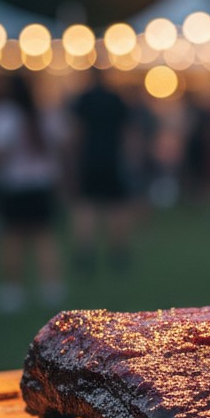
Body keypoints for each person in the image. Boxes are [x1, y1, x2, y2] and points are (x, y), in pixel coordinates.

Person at [0, 73, 66, 314]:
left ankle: (13, 290)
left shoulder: (4, 114)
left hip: (15, 183)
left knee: (12, 237)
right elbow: (64, 140)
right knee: (43, 236)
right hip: (42, 182)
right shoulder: (43, 113)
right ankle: (51, 287)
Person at [69, 69, 135, 275]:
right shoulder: (115, 99)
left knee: (86, 206)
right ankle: (118, 252)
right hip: (112, 158)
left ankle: (85, 253)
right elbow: (127, 131)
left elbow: (76, 131)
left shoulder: (83, 99)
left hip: (89, 159)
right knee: (116, 207)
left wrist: (74, 160)